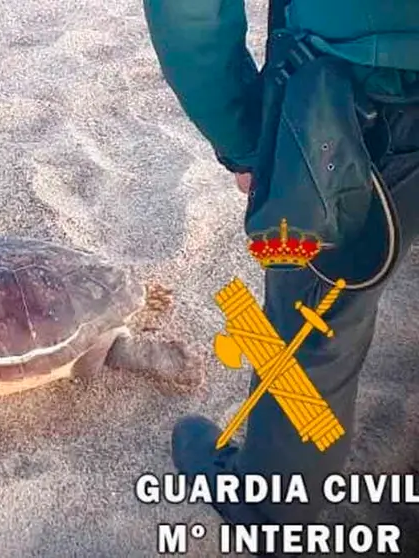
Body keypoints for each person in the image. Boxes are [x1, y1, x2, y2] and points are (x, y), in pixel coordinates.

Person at [143, 0, 419, 541]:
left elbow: (188, 12)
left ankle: (274, 511)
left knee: (313, 324)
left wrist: (246, 144)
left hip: (351, 105)